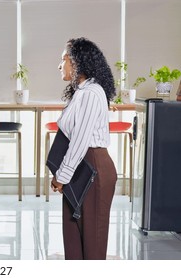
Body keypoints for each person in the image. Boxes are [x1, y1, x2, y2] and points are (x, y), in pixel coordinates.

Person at [52, 37, 118, 260]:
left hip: (93, 168)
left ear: (77, 62)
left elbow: (80, 140)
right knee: (73, 236)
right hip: (81, 167)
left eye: (64, 60)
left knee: (92, 242)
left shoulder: (90, 93)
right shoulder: (81, 92)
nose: (60, 65)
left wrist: (62, 176)